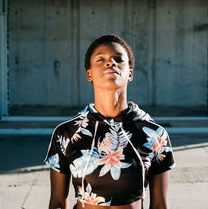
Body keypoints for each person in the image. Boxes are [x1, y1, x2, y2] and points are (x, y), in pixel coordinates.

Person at [45, 34, 175, 209]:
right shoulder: (66, 133)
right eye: (100, 59)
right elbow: (58, 202)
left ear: (130, 73)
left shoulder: (155, 134)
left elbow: (160, 205)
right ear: (89, 74)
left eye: (118, 59)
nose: (110, 62)